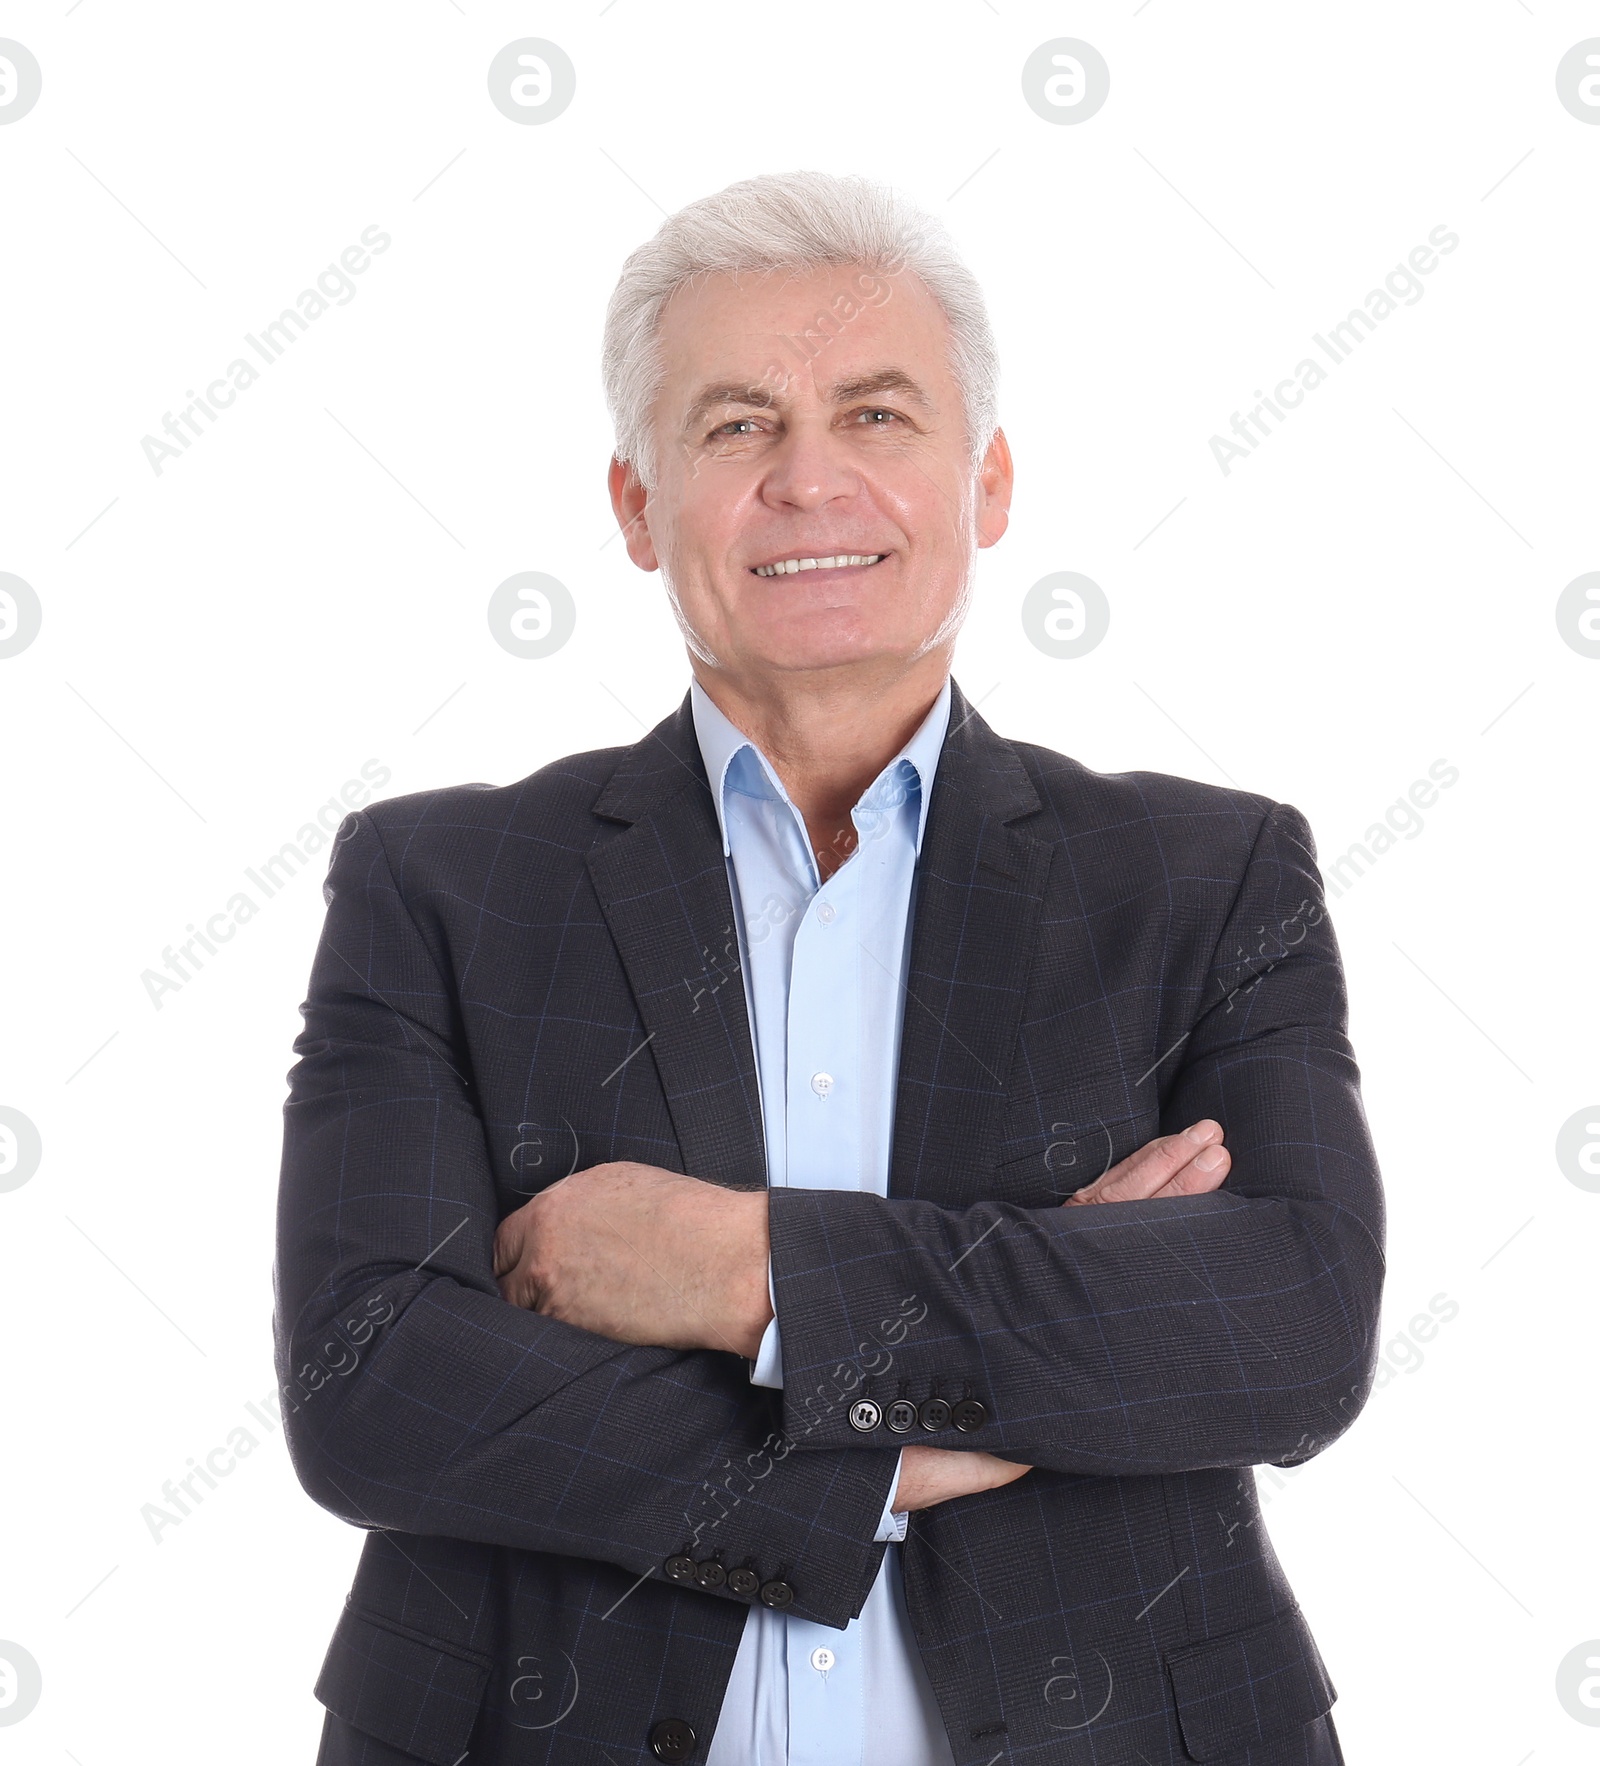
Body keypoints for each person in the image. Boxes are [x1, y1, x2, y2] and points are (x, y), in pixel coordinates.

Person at [274, 169, 1384, 1765]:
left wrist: (741, 1272)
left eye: (877, 415)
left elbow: (1287, 1329)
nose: (810, 481)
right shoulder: (438, 882)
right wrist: (905, 1440)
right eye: (735, 426)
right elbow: (369, 1383)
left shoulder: (1206, 876)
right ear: (638, 502)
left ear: (987, 481)